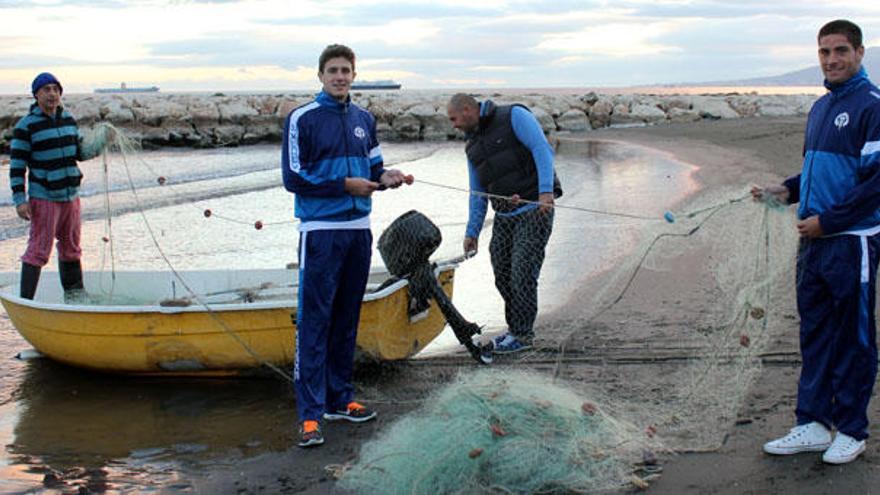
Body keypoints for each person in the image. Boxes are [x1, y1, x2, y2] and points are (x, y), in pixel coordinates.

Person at [754, 19, 880, 465]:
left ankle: (851, 429)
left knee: (853, 337)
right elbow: (816, 170)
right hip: (814, 244)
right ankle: (811, 423)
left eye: (841, 50)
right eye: (824, 52)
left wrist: (828, 222)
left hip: (850, 242)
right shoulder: (821, 108)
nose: (832, 59)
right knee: (815, 333)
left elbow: (874, 184)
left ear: (860, 53)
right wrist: (788, 192)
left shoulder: (872, 105)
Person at [281, 44, 411, 448]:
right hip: (320, 231)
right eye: (332, 70)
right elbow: (293, 177)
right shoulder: (302, 118)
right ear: (320, 75)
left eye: (346, 71)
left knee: (346, 318)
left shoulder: (364, 119)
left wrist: (387, 178)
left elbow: (373, 168)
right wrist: (343, 186)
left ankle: (340, 399)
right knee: (314, 321)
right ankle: (310, 415)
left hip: (359, 229)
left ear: (354, 75)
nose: (340, 77)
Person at [446, 93, 561, 354]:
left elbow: (541, 149)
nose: (453, 125)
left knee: (522, 273)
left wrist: (545, 192)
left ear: (467, 110)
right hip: (504, 217)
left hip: (535, 209)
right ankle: (515, 329)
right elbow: (477, 191)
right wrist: (472, 231)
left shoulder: (513, 116)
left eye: (454, 118)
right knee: (502, 275)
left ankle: (522, 335)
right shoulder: (471, 145)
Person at [9, 72, 106, 301]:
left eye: (55, 89)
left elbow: (80, 153)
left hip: (71, 196)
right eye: (46, 90)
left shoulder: (69, 120)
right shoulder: (26, 126)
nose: (52, 94)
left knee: (71, 247)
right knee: (39, 250)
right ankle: (26, 302)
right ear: (36, 95)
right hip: (44, 197)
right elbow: (16, 166)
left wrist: (102, 143)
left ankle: (75, 298)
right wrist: (20, 201)